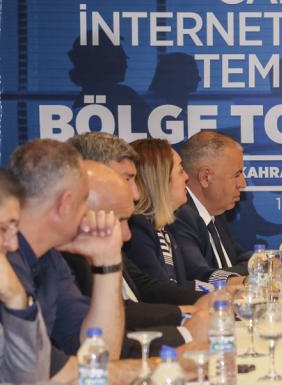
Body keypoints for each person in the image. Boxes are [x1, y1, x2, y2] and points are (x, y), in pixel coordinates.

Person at [62, 162, 208, 356]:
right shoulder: (67, 262)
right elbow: (96, 352)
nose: (127, 235)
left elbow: (135, 297)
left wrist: (188, 312)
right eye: (128, 178)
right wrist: (186, 332)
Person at [6, 140, 125, 375]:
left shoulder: (51, 258)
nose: (88, 212)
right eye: (84, 200)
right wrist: (162, 366)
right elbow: (45, 374)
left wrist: (108, 262)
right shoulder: (6, 260)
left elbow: (100, 352)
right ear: (65, 204)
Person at [171, 130, 249, 283]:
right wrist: (260, 266)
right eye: (236, 175)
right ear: (205, 177)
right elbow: (200, 276)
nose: (243, 184)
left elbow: (238, 257)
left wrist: (266, 260)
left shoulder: (216, 211)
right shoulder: (180, 216)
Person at [125, 138, 195, 289]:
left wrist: (221, 289)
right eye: (180, 171)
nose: (186, 177)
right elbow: (160, 291)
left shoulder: (164, 229)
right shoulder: (137, 228)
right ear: (161, 181)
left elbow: (180, 286)